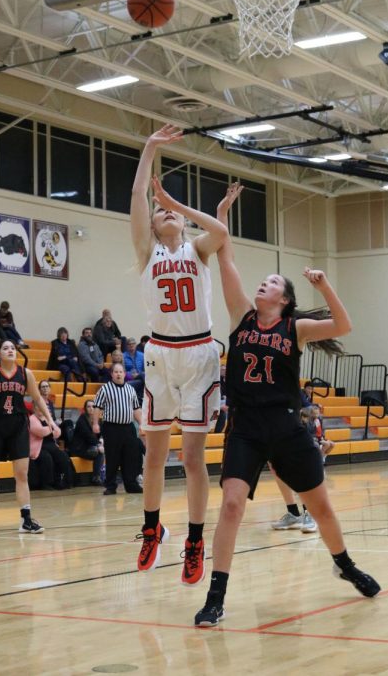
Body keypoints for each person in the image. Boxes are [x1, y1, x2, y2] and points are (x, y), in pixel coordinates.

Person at [194, 184, 380, 628]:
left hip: (285, 426)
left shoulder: (295, 328)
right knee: (233, 505)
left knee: (322, 510)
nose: (265, 282)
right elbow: (226, 257)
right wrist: (222, 212)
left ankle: (345, 564)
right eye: (266, 280)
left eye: (274, 282)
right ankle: (216, 595)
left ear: (285, 299)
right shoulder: (241, 316)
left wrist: (325, 282)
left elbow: (344, 325)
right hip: (244, 426)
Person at [131, 124, 227, 584]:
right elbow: (135, 200)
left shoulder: (198, 249)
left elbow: (221, 229)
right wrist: (149, 149)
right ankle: (151, 528)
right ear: (151, 225)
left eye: (168, 213)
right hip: (159, 356)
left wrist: (174, 203)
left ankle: (194, 540)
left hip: (199, 355)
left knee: (192, 459)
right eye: (158, 212)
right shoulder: (147, 253)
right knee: (153, 455)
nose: (163, 215)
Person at [0, 338, 55, 532]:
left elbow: (37, 399)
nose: (10, 350)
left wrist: (51, 421)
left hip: (18, 428)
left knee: (21, 474)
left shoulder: (25, 373)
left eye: (13, 347)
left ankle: (26, 520)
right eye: (5, 348)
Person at [92, 363, 143, 495]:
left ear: (124, 374)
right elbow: (97, 407)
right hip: (111, 427)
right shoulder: (105, 389)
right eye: (116, 372)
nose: (119, 374)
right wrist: (95, 423)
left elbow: (136, 409)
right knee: (113, 457)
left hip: (128, 427)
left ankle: (131, 484)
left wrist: (142, 424)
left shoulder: (130, 389)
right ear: (112, 374)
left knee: (129, 457)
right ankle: (110, 486)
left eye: (121, 371)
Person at [28, 400, 62, 490]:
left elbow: (58, 432)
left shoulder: (48, 418)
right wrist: (51, 429)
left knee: (62, 456)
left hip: (50, 444)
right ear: (35, 407)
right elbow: (40, 432)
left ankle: (61, 481)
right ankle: (47, 484)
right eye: (40, 406)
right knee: (47, 457)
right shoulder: (32, 419)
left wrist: (50, 429)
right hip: (37, 447)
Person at [70, 399, 105, 485]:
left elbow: (102, 433)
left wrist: (101, 441)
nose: (91, 408)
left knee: (104, 451)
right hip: (80, 448)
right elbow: (88, 436)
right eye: (88, 406)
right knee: (99, 452)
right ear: (85, 409)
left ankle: (104, 477)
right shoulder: (82, 420)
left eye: (93, 406)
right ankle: (96, 478)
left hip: (91, 446)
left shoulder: (97, 420)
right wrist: (98, 445)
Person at [123, 337, 145, 402]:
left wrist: (138, 375)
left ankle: (139, 400)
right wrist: (130, 375)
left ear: (136, 345)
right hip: (130, 379)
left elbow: (145, 369)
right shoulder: (123, 356)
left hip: (140, 378)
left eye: (133, 344)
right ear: (127, 346)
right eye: (129, 344)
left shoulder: (142, 355)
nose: (131, 345)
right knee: (143, 379)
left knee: (143, 376)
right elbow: (122, 371)